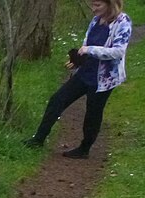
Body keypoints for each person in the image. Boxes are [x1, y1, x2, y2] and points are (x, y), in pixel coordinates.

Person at [24, 0, 132, 159]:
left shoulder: (123, 22)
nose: (93, 9)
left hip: (104, 79)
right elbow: (86, 46)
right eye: (92, 4)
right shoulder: (96, 20)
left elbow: (118, 51)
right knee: (57, 100)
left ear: (110, 4)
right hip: (85, 72)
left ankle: (84, 149)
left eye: (98, 5)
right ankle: (38, 139)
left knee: (93, 113)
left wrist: (90, 50)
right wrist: (77, 60)